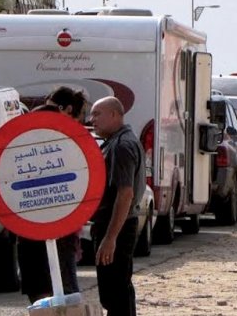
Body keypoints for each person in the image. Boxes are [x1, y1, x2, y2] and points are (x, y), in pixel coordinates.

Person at [17, 86, 87, 303]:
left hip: (27, 219)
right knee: (64, 292)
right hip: (59, 222)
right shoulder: (63, 131)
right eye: (76, 117)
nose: (77, 123)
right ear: (66, 109)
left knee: (37, 288)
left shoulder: (26, 123)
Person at [89, 96, 145, 316]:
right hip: (115, 225)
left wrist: (110, 237)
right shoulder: (117, 141)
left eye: (97, 114)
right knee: (116, 292)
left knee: (115, 294)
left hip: (116, 227)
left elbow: (125, 193)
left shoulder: (122, 145)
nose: (91, 119)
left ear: (114, 115)